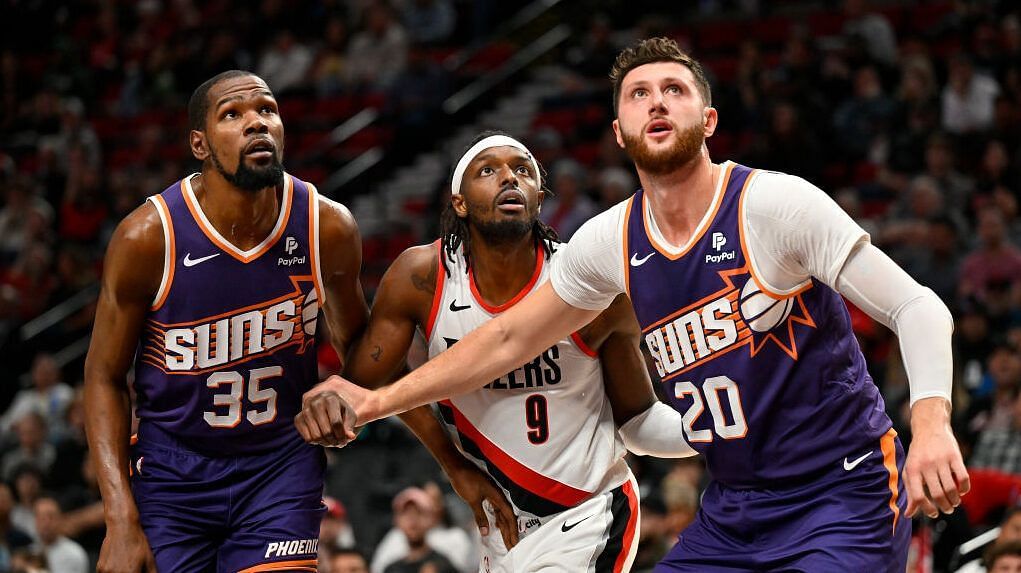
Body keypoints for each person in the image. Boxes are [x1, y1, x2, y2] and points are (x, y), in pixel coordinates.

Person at [314, 38, 970, 572]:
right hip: (734, 505)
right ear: (620, 133)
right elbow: (507, 340)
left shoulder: (773, 206)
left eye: (674, 90)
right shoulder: (609, 241)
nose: (656, 102)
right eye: (638, 94)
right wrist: (375, 400)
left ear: (706, 119)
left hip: (840, 489)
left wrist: (932, 421)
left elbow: (916, 307)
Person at [300, 132, 695, 572]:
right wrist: (452, 464)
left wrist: (711, 431)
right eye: (488, 170)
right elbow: (367, 380)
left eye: (523, 170)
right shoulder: (422, 277)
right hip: (498, 525)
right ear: (459, 202)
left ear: (540, 199)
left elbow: (638, 422)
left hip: (588, 513)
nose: (509, 178)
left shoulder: (589, 286)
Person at [82, 70, 363, 573]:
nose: (256, 122)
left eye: (267, 110)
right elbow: (103, 377)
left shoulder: (326, 226)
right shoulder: (147, 237)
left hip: (278, 463)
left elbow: (362, 349)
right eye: (232, 115)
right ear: (201, 144)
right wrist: (120, 520)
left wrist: (349, 390)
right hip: (174, 474)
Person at [32, 495, 88, 573]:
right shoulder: (30, 553)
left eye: (50, 517)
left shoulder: (74, 554)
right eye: (41, 517)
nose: (46, 523)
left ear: (60, 519)